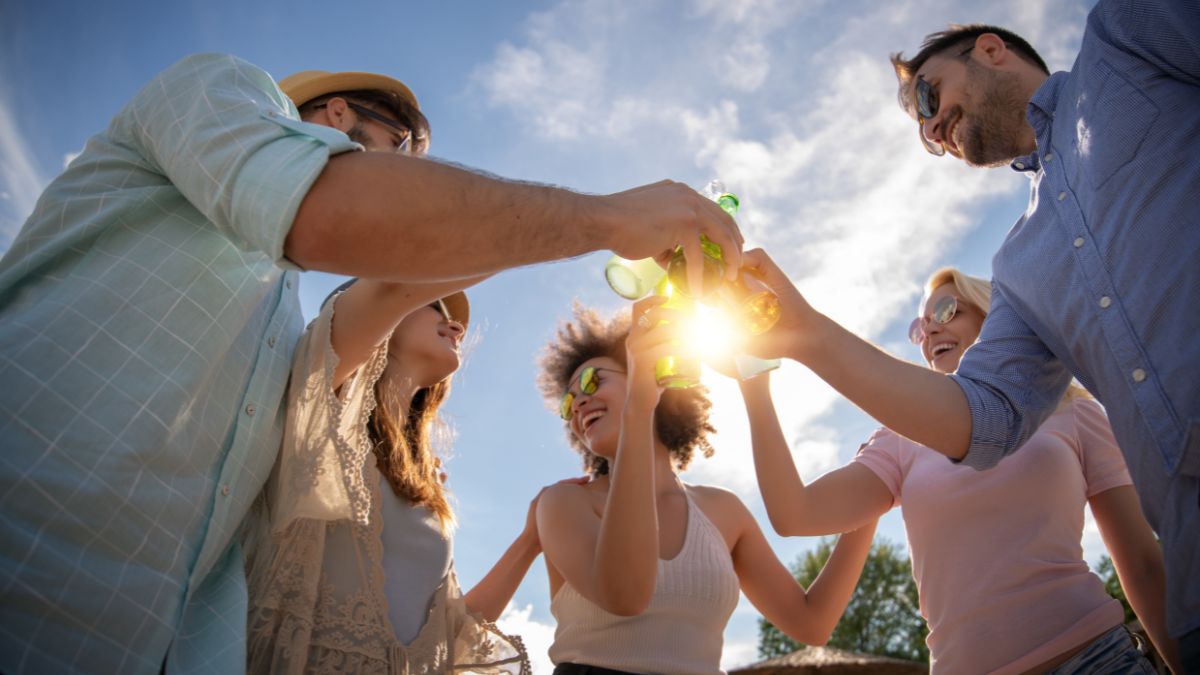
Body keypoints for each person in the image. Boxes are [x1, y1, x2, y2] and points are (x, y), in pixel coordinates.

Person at [0, 53, 742, 674]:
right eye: (402, 151)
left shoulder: (278, 324)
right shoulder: (219, 89)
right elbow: (360, 231)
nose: (407, 179)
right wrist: (608, 219)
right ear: (334, 116)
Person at [736, 2, 1200, 667]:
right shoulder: (1023, 266)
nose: (929, 127)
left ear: (989, 49)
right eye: (922, 129)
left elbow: (1138, 565)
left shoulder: (1122, 41)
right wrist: (801, 333)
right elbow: (982, 419)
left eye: (927, 94)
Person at [742, 267, 1178, 673]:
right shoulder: (899, 436)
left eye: (946, 311)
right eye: (919, 326)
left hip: (1096, 660)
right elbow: (794, 513)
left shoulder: (1072, 409)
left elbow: (1141, 564)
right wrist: (755, 383)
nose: (929, 328)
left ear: (992, 319)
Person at [534, 301, 878, 675]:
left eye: (592, 381)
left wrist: (873, 494)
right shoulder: (561, 503)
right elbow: (626, 595)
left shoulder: (723, 510)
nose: (579, 401)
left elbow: (811, 623)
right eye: (568, 401)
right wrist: (637, 409)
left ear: (655, 373)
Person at [244, 279, 548, 673]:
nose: (456, 327)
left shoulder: (428, 491)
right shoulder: (321, 412)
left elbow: (449, 633)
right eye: (435, 304)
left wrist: (529, 543)